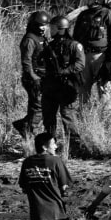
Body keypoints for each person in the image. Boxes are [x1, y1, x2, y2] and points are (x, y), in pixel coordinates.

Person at [41, 16, 85, 157]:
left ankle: (74, 149)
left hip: (67, 87)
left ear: (60, 29)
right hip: (50, 86)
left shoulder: (74, 45)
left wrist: (64, 71)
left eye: (53, 27)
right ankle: (50, 146)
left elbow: (80, 64)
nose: (50, 30)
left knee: (68, 116)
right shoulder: (49, 45)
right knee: (48, 118)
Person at [73, 0, 111, 103]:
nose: (86, 1)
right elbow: (75, 37)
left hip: (101, 57)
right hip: (83, 56)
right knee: (82, 89)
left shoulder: (108, 15)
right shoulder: (83, 15)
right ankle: (84, 117)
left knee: (104, 89)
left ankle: (106, 118)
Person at [19, 132, 73, 220]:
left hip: (37, 217)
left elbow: (24, 187)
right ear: (44, 147)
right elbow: (64, 186)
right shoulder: (55, 161)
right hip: (56, 215)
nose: (56, 146)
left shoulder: (27, 162)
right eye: (53, 144)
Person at [12, 11, 51, 142]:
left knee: (37, 107)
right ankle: (30, 132)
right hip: (33, 78)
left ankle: (24, 126)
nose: (42, 28)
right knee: (38, 107)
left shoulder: (43, 38)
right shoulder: (29, 39)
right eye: (40, 25)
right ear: (33, 25)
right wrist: (35, 79)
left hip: (42, 76)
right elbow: (26, 63)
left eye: (45, 25)